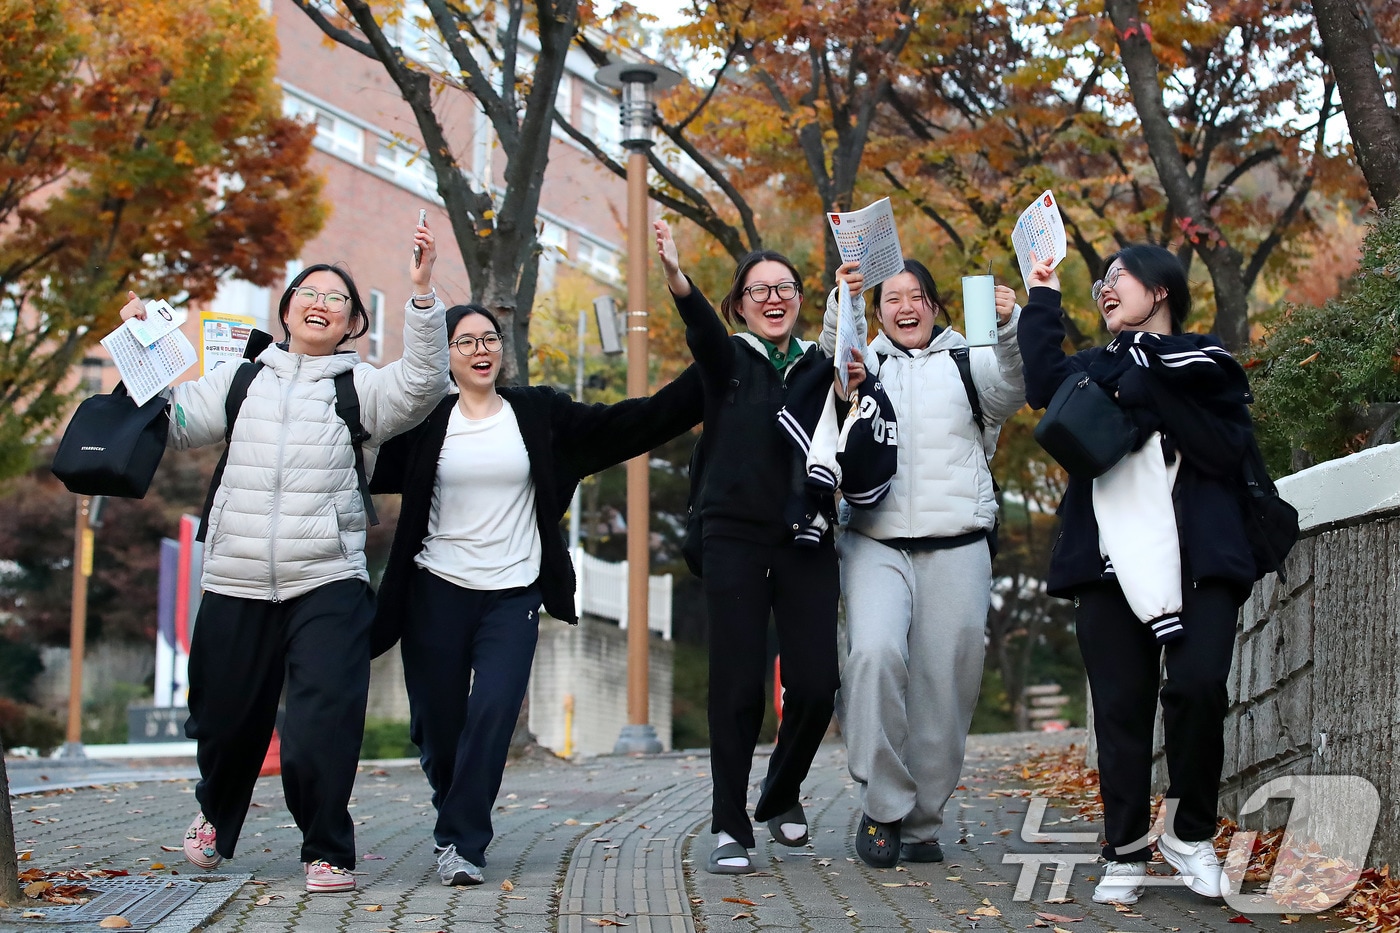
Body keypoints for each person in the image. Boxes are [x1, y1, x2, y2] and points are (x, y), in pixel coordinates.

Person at [120, 221, 450, 894]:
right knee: (223, 716)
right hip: (236, 575)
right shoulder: (241, 379)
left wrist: (420, 294)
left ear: (354, 321)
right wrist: (139, 339)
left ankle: (327, 848)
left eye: (337, 297)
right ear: (289, 306)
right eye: (309, 290)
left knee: (322, 721)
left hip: (325, 577)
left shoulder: (360, 389)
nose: (320, 301)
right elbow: (174, 420)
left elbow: (421, 383)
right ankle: (216, 812)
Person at [369, 303, 704, 886]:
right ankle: (456, 807)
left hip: (512, 592)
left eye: (490, 339)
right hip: (434, 589)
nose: (480, 350)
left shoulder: (538, 413)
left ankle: (461, 840)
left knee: (495, 711)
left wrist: (710, 372)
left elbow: (631, 422)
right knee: (436, 724)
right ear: (445, 355)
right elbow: (351, 446)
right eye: (465, 341)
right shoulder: (424, 421)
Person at [1018, 246, 1258, 905]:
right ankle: (1123, 849)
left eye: (1116, 278)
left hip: (1200, 556)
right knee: (1121, 709)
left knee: (1199, 686)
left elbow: (1225, 447)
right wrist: (1042, 295)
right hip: (1106, 563)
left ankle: (1189, 834)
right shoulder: (1095, 367)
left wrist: (1147, 383)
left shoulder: (1206, 363)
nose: (1104, 289)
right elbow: (1045, 386)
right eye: (1099, 283)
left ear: (1159, 290)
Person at [655, 219, 863, 876]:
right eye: (758, 290)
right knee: (738, 684)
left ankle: (780, 791)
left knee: (817, 683)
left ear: (799, 298)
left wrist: (849, 322)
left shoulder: (818, 365)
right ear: (739, 304)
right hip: (733, 537)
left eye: (785, 288)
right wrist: (676, 278)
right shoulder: (728, 361)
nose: (773, 298)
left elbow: (849, 381)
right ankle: (728, 821)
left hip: (806, 536)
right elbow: (701, 334)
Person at [822, 259, 1024, 868]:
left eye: (917, 297)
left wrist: (1011, 327)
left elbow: (1013, 385)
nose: (905, 307)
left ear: (936, 306)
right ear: (879, 311)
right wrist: (844, 299)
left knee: (946, 685)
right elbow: (833, 361)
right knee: (873, 655)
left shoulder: (971, 361)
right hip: (873, 543)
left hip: (958, 543)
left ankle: (922, 822)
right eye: (891, 299)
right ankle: (882, 807)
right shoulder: (865, 363)